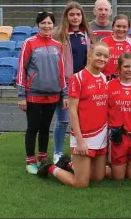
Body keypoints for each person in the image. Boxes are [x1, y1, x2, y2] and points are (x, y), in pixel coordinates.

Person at [37, 42, 110, 188]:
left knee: (98, 177)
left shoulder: (103, 77)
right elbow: (72, 111)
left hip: (100, 134)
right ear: (89, 56)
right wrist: (80, 140)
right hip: (84, 135)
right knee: (81, 183)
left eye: (105, 56)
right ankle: (50, 167)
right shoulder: (79, 78)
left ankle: (68, 163)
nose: (102, 58)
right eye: (98, 55)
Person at [17, 11, 67, 174]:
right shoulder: (29, 43)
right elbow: (21, 70)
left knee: (46, 128)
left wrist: (64, 93)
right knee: (33, 127)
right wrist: (21, 95)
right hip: (33, 94)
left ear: (53, 25)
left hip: (53, 95)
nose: (47, 26)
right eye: (43, 23)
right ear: (38, 25)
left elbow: (61, 72)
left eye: (49, 23)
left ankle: (43, 158)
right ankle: (30, 160)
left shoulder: (58, 45)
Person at [52, 1, 94, 164]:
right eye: (72, 14)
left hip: (84, 81)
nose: (75, 17)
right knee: (63, 119)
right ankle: (57, 153)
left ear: (82, 16)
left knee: (82, 119)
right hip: (66, 83)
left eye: (78, 14)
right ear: (66, 17)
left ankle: (81, 149)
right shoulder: (58, 34)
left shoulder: (88, 34)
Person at [106, 53, 131, 180]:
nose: (130, 70)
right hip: (118, 136)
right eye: (126, 66)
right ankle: (96, 167)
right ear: (119, 68)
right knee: (118, 178)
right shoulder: (109, 86)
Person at [100, 14, 131, 79]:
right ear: (113, 27)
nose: (121, 29)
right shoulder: (104, 41)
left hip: (124, 80)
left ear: (128, 28)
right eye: (118, 26)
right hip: (106, 79)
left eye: (124, 27)